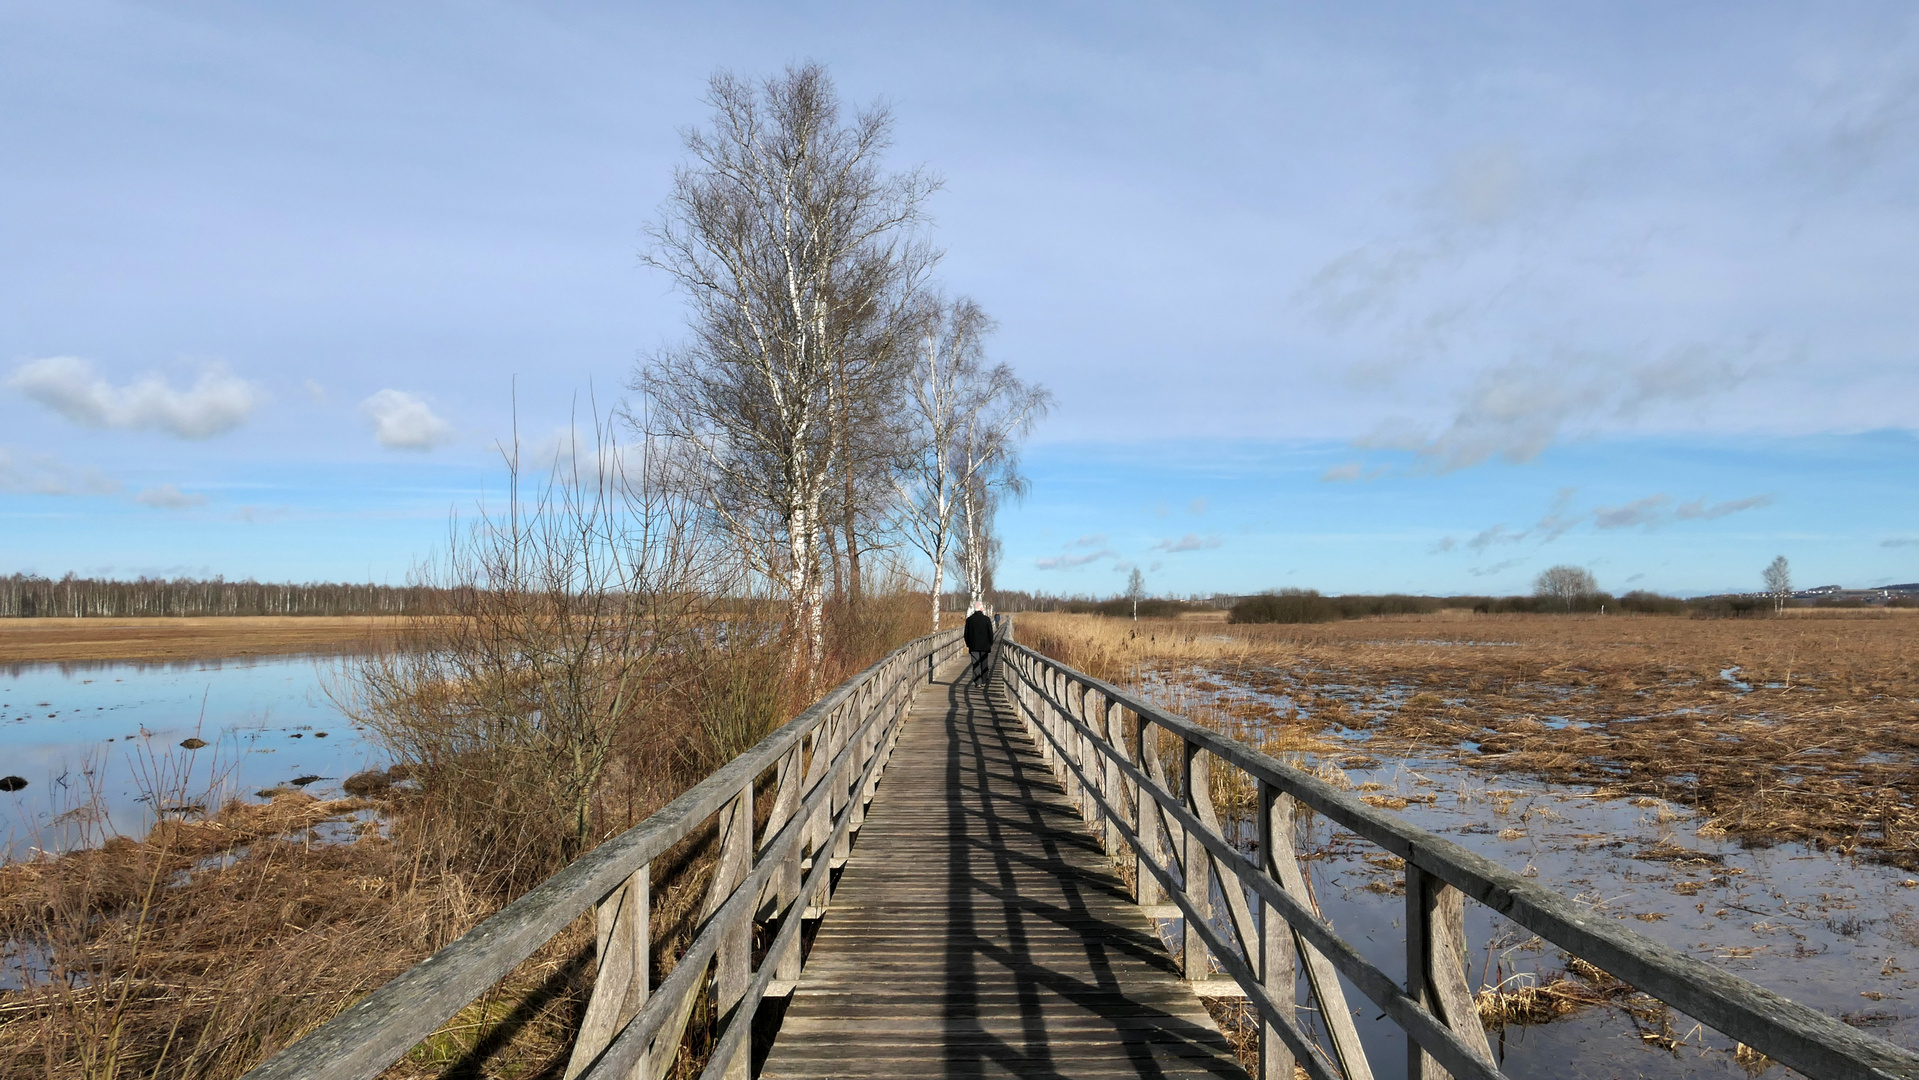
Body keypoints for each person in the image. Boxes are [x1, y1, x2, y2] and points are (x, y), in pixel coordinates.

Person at [963, 603, 995, 683]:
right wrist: (990, 642)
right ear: (981, 609)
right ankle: (984, 680)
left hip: (973, 645)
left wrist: (968, 644)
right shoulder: (986, 619)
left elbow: (966, 634)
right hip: (985, 645)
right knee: (984, 662)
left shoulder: (969, 620)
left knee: (975, 663)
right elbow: (990, 633)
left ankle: (978, 682)